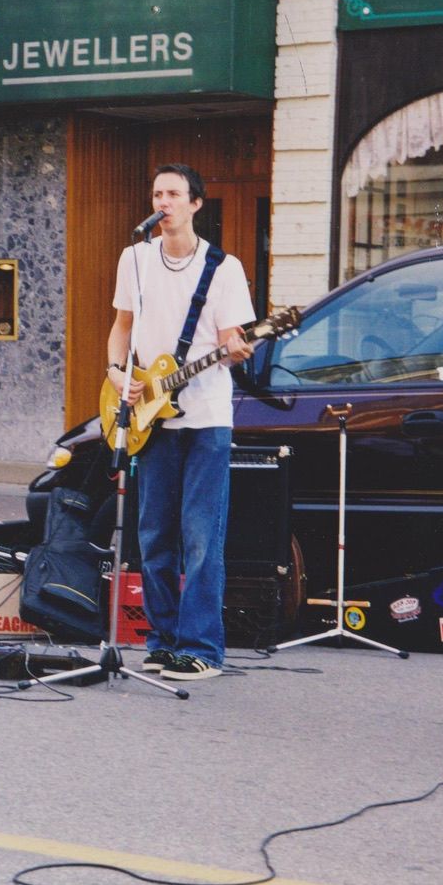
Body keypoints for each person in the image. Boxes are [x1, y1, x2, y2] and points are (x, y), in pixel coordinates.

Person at [107, 163, 255, 681]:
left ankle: (201, 648)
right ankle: (163, 639)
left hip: (207, 419)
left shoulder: (223, 267)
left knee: (200, 537)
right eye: (157, 193)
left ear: (195, 203)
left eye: (173, 194)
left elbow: (233, 337)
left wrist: (237, 349)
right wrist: (116, 373)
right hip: (151, 418)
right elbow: (121, 327)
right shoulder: (135, 258)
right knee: (153, 538)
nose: (162, 201)